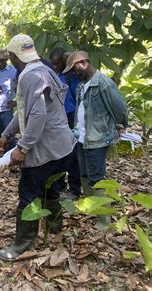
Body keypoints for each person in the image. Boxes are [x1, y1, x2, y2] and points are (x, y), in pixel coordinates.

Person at [0, 34, 76, 262]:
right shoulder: (44, 69)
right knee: (51, 188)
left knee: (29, 194)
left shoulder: (29, 77)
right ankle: (54, 226)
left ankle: (23, 244)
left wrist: (23, 147)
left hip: (45, 147)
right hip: (62, 145)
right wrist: (7, 134)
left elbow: (38, 114)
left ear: (13, 55)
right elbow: (25, 112)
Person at [63, 50, 128, 230]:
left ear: (84, 63)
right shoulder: (81, 85)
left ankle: (104, 222)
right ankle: (93, 210)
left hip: (97, 138)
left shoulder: (103, 84)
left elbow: (119, 109)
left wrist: (118, 128)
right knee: (85, 174)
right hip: (82, 137)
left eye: (75, 69)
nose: (74, 74)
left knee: (97, 179)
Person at [49, 48, 81, 199]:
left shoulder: (71, 76)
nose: (54, 66)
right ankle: (60, 184)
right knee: (58, 152)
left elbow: (78, 96)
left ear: (63, 62)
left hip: (71, 116)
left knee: (72, 154)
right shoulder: (51, 74)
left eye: (57, 64)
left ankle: (74, 189)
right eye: (52, 64)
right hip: (57, 117)